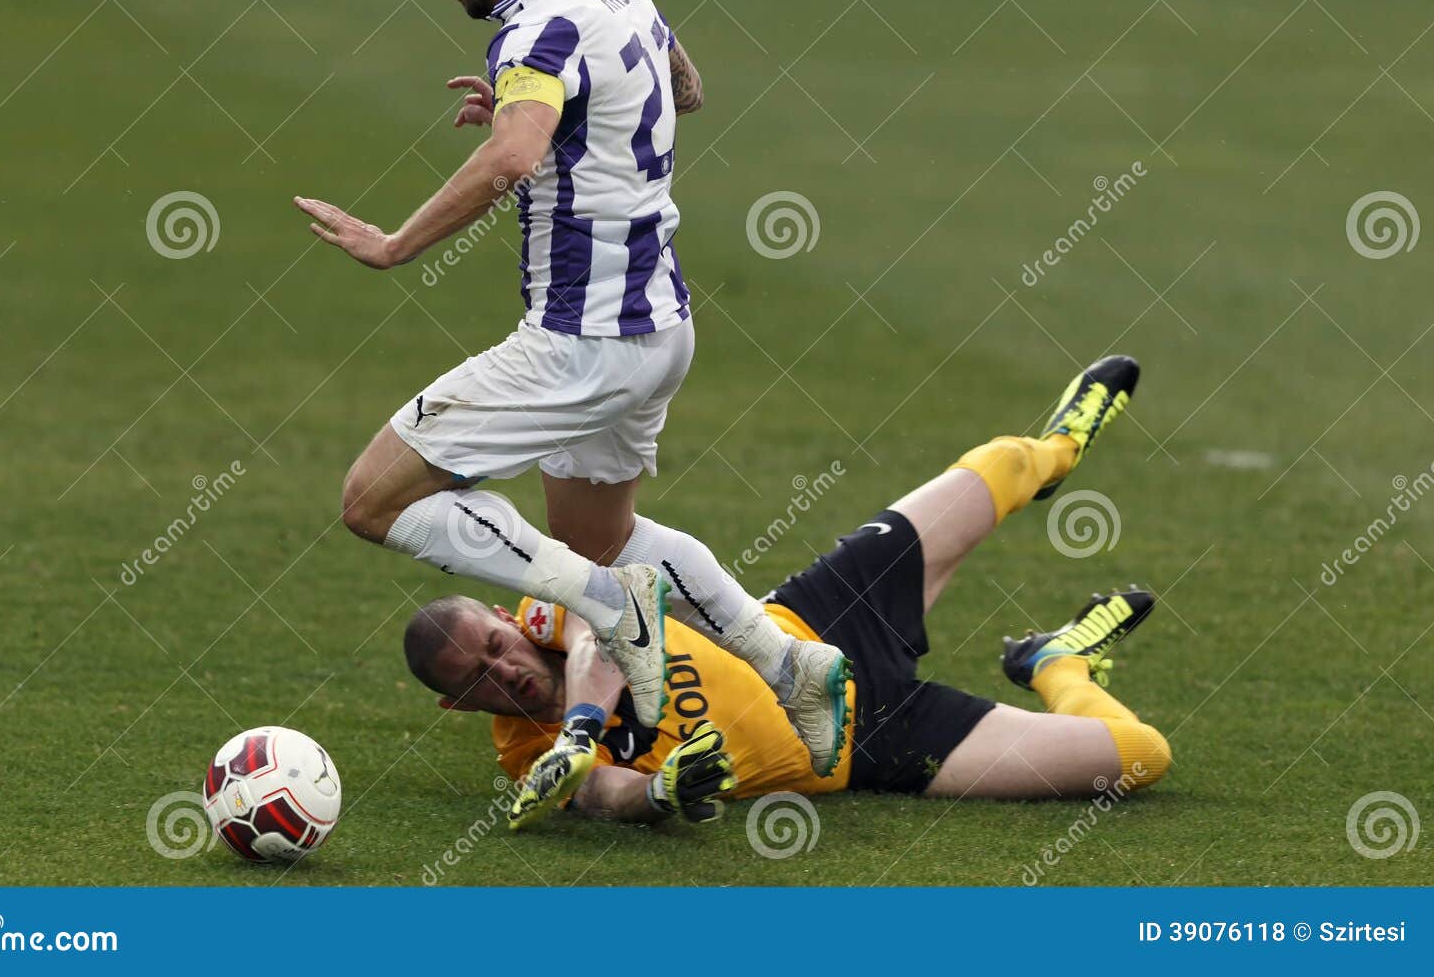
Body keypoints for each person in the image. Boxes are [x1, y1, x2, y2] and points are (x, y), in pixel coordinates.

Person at [291, 0, 847, 774]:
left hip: (579, 342)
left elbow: (512, 160)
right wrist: (540, 108)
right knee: (603, 536)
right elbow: (686, 87)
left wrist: (393, 244)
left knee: (370, 500)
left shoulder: (534, 29)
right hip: (660, 327)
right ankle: (788, 659)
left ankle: (609, 604)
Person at [402, 354, 1173, 826]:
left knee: (999, 469)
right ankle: (1056, 665)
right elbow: (601, 796)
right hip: (871, 743)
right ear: (458, 705)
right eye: (475, 676)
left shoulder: (552, 612)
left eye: (494, 644)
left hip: (817, 621)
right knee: (1141, 756)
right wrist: (660, 794)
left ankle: (1062, 447)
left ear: (506, 618)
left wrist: (579, 724)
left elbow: (598, 626)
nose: (500, 667)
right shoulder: (525, 755)